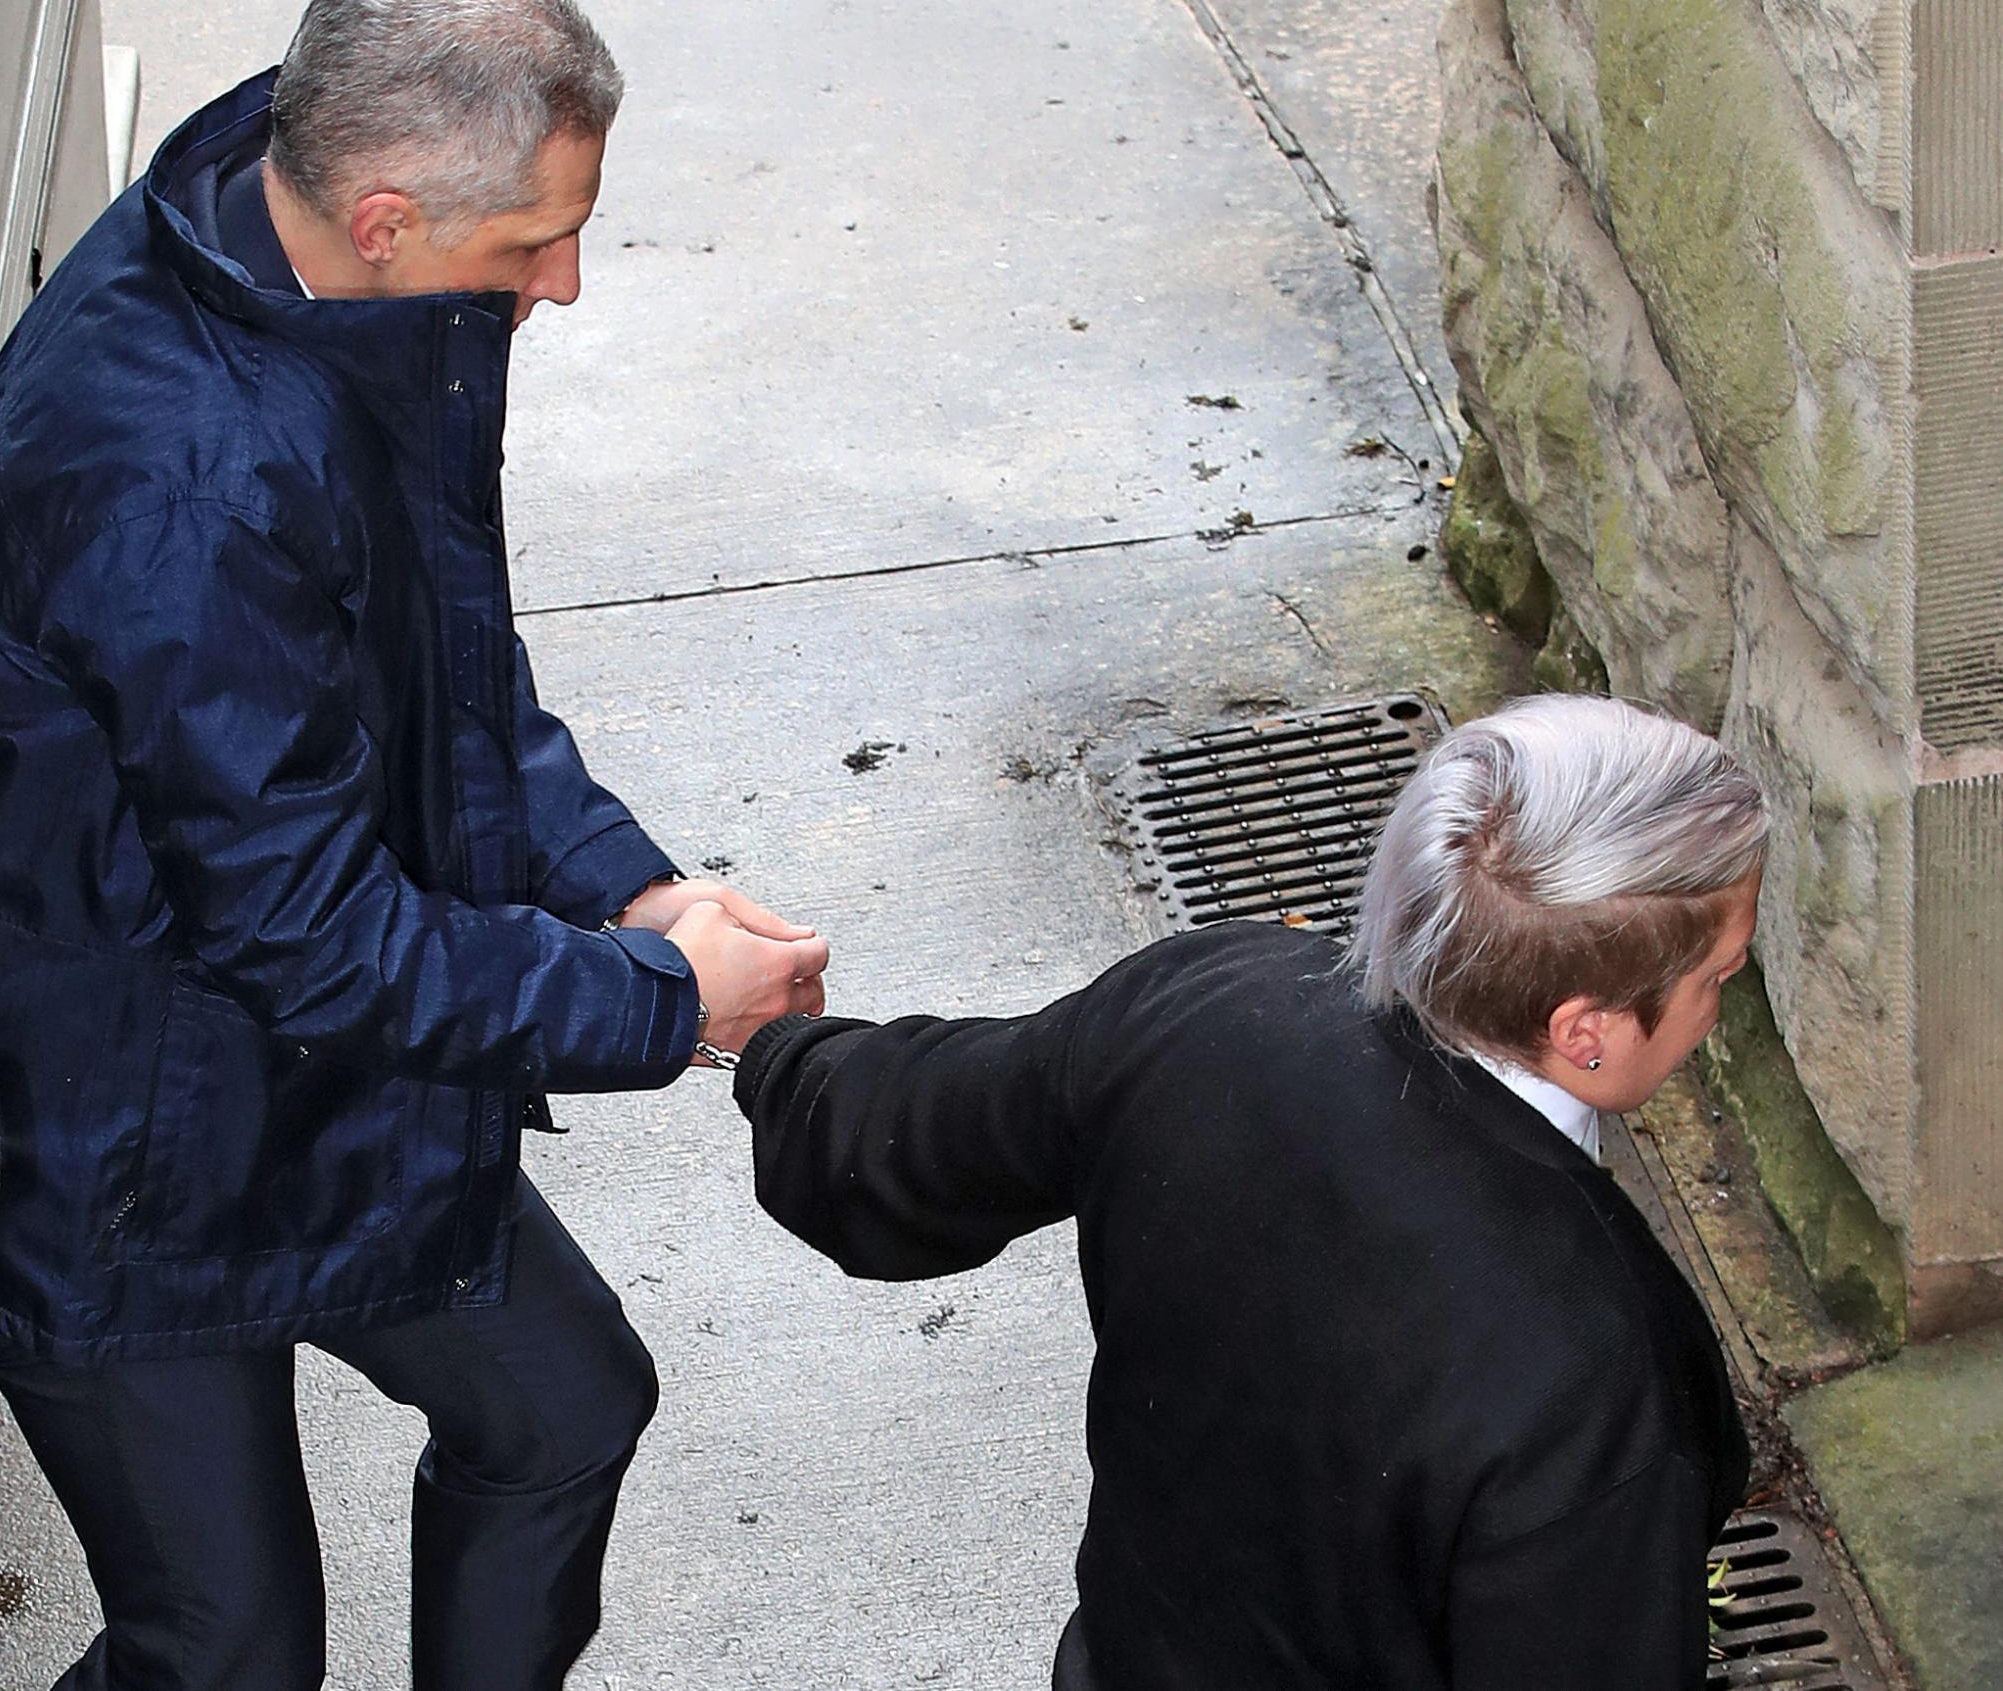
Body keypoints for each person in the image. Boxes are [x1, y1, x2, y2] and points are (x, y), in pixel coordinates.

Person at [0, 0, 827, 1691]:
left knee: (563, 1411)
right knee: (226, 1647)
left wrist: (622, 885)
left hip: (289, 1075)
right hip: (118, 1147)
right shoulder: (177, 482)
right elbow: (312, 939)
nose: (563, 283)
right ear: (391, 212)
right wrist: (658, 1003)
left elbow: (435, 684)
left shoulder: (330, 275)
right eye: (534, 240)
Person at [729, 694, 1762, 1689]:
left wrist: (766, 1043)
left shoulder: (1212, 1005)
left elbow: (899, 1141)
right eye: (1717, 975)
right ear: (1585, 1029)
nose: (1720, 1005)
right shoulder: (1593, 1366)